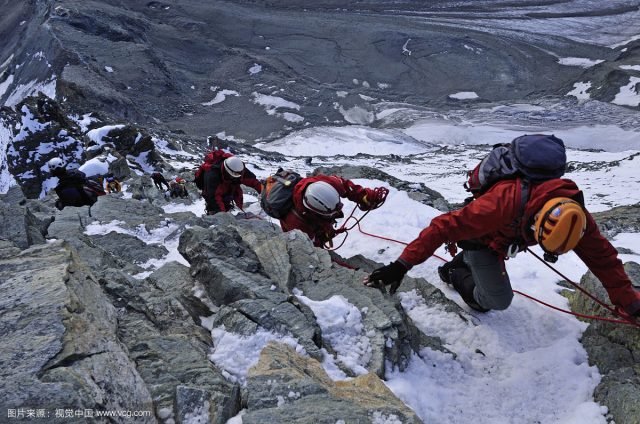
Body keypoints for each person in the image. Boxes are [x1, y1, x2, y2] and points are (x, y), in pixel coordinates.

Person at [364, 177, 640, 317]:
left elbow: (604, 260)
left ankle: (466, 264)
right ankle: (453, 272)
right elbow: (441, 227)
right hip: (481, 241)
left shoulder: (576, 220)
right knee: (496, 301)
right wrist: (400, 266)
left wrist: (630, 304)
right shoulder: (499, 205)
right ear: (535, 224)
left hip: (504, 239)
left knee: (494, 278)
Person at [278, 175, 387, 247]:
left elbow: (344, 185)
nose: (337, 212)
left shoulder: (327, 184)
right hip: (299, 221)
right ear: (316, 211)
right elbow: (311, 247)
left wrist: (363, 196)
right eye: (332, 212)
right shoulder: (296, 223)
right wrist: (324, 237)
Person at [194, 151, 262, 215]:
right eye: (234, 175)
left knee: (225, 205)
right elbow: (214, 197)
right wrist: (224, 216)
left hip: (226, 190)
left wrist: (264, 192)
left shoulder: (238, 169)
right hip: (212, 193)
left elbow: (253, 181)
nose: (236, 177)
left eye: (237, 175)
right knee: (215, 211)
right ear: (227, 171)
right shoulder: (212, 176)